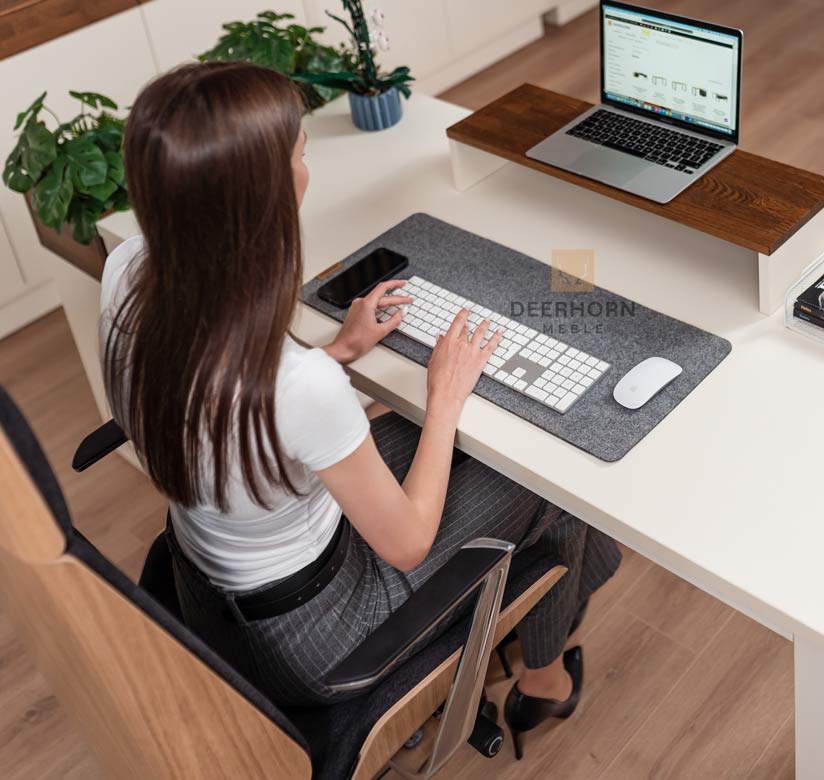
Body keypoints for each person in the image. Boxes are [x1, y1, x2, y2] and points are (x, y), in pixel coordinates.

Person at [99, 62, 619, 758]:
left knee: (488, 454)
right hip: (315, 640)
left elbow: (226, 417)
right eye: (299, 155)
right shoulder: (296, 384)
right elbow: (406, 542)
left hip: (210, 591)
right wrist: (442, 397)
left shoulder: (129, 271)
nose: (306, 166)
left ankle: (533, 631)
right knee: (552, 473)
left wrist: (341, 350)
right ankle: (545, 679)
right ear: (263, 196)